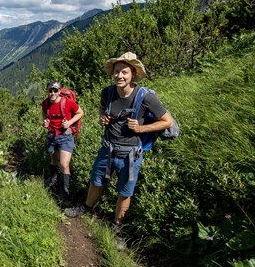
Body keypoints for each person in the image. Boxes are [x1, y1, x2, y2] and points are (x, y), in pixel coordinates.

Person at [64, 52, 172, 227]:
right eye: (116, 71)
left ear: (134, 73)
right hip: (108, 148)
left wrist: (141, 128)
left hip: (130, 154)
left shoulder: (145, 97)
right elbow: (101, 108)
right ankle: (87, 208)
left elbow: (167, 122)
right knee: (96, 180)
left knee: (125, 191)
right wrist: (102, 118)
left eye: (124, 72)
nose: (119, 76)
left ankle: (116, 226)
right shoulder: (107, 92)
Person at [42, 81, 84, 203]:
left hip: (65, 135)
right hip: (52, 135)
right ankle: (54, 181)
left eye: (55, 91)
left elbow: (80, 113)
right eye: (50, 90)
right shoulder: (45, 103)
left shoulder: (67, 102)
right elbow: (44, 112)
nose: (52, 93)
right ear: (48, 91)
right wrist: (45, 121)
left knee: (64, 164)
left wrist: (69, 123)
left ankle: (65, 192)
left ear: (60, 91)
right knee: (54, 160)